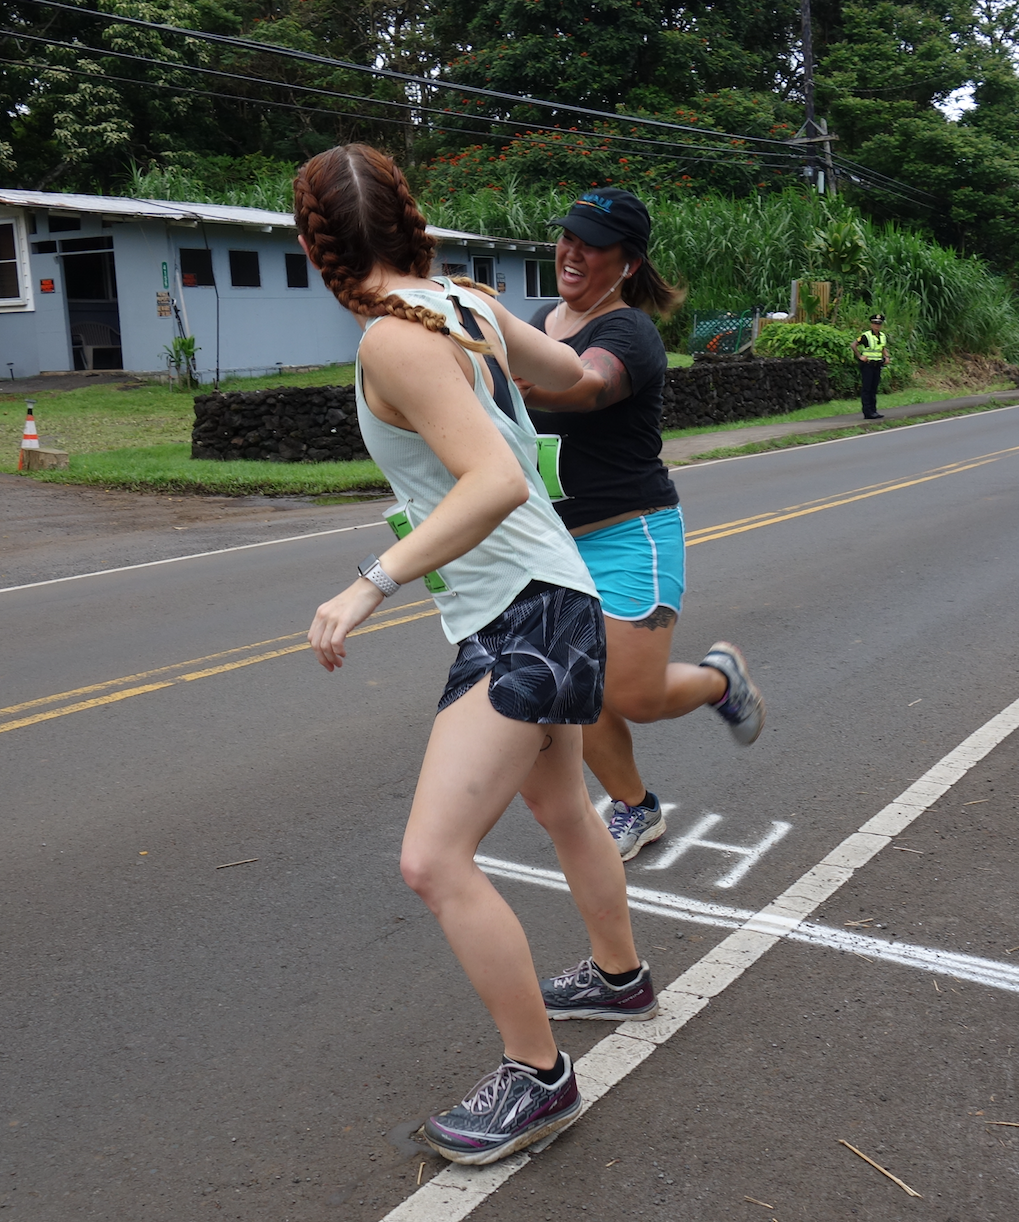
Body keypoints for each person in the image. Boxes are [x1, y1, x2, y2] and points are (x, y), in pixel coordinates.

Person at [297, 145, 655, 1166]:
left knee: (431, 858)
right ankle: (619, 975)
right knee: (559, 806)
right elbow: (574, 379)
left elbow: (494, 478)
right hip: (555, 598)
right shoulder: (463, 302)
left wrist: (371, 578)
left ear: (316, 244)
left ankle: (537, 1078)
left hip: (525, 613)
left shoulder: (389, 342)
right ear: (407, 221)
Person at [519, 188, 766, 864]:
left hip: (631, 535)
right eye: (567, 235)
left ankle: (721, 678)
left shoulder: (627, 332)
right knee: (574, 684)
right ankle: (638, 808)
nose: (571, 251)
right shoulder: (540, 319)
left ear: (627, 263)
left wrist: (500, 374)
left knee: (633, 694)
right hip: (555, 543)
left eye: (591, 243)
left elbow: (585, 386)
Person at [851, 313, 890, 420]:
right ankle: (867, 412)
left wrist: (887, 357)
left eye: (879, 324)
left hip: (877, 365)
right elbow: (853, 345)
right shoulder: (866, 335)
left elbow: (882, 348)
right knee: (867, 389)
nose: (877, 325)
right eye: (875, 323)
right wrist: (860, 356)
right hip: (868, 365)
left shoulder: (882, 336)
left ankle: (874, 410)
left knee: (874, 389)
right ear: (871, 324)